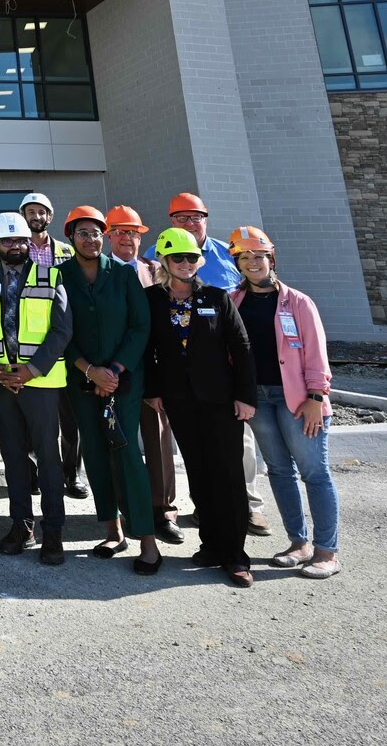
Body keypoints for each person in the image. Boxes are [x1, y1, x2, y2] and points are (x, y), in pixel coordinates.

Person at [142, 228, 259, 588]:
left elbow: (241, 347)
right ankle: (210, 544)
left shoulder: (217, 297)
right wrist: (153, 391)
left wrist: (245, 396)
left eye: (192, 257)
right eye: (178, 257)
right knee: (199, 472)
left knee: (228, 475)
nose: (186, 263)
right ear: (164, 261)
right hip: (178, 400)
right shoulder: (151, 300)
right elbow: (147, 350)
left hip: (221, 401)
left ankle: (236, 555)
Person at [148, 193, 269, 535]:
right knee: (195, 454)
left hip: (225, 377)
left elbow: (241, 336)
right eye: (181, 217)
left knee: (236, 452)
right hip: (180, 387)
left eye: (195, 217)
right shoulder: (156, 265)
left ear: (206, 219)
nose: (189, 223)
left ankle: (246, 508)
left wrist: (245, 391)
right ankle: (206, 513)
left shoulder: (229, 256)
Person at [229, 226, 342, 580]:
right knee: (278, 471)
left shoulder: (298, 302)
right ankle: (299, 543)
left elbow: (317, 354)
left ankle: (326, 551)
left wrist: (315, 397)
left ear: (271, 258)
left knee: (314, 473)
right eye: (245, 257)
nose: (253, 262)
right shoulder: (234, 302)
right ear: (238, 263)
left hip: (297, 400)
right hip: (258, 400)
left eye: (258, 256)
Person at [57, 205, 161, 575]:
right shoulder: (60, 275)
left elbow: (140, 326)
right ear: (70, 237)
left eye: (96, 233)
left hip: (123, 381)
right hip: (81, 380)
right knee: (96, 454)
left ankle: (146, 539)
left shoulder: (122, 274)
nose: (91, 238)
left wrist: (113, 370)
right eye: (83, 232)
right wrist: (89, 370)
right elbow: (57, 330)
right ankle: (111, 530)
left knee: (128, 453)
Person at [0, 212, 72, 565]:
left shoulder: (51, 275)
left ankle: (53, 531)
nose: (15, 246)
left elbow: (62, 331)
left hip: (40, 382)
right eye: (8, 241)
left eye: (21, 240)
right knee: (13, 455)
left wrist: (30, 370)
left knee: (47, 457)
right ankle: (21, 525)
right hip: (1, 383)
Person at [108, 204, 182, 545]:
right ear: (109, 236)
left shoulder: (158, 270)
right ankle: (127, 510)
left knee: (158, 443)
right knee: (119, 443)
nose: (128, 238)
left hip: (153, 373)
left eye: (134, 233)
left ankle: (163, 510)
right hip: (113, 373)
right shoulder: (102, 271)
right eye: (121, 232)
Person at [19, 191, 83, 500]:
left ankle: (71, 474)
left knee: (70, 417)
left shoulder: (67, 252)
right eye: (30, 211)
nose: (35, 215)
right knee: (34, 420)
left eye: (41, 211)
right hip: (31, 346)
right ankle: (34, 473)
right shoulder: (17, 250)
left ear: (50, 216)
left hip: (64, 340)